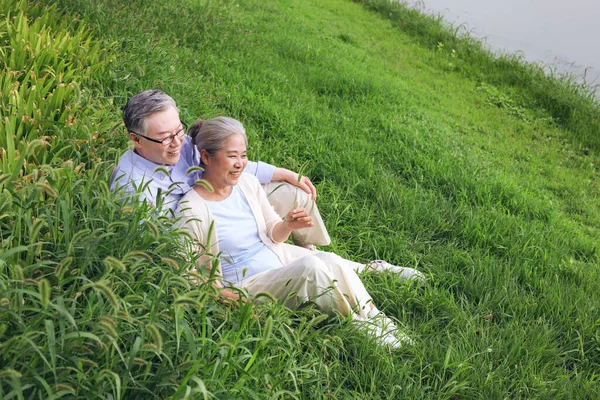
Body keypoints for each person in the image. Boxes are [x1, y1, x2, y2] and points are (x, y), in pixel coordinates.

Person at [176, 116, 425, 348]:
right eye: (232, 156)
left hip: (277, 261)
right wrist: (234, 300)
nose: (241, 163)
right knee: (311, 267)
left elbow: (273, 232)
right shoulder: (192, 208)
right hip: (246, 286)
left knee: (329, 259)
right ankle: (355, 322)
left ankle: (375, 316)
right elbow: (189, 275)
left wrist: (288, 225)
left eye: (244, 155)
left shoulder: (247, 184)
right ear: (207, 157)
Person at [109, 89, 330, 248]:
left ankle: (307, 245)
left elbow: (225, 163)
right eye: (165, 138)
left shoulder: (184, 145)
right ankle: (289, 256)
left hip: (225, 203)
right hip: (208, 237)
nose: (177, 142)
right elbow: (155, 240)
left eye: (178, 131)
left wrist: (286, 174)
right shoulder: (130, 185)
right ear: (136, 140)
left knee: (293, 192)